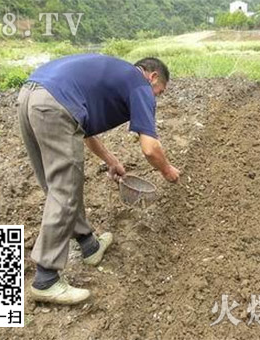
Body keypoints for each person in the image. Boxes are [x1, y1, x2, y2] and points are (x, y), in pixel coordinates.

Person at [17, 54, 180, 305]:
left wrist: (111, 161)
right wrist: (168, 171)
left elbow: (83, 130)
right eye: (159, 92)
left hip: (30, 97)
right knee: (65, 190)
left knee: (57, 186)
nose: (156, 97)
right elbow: (150, 148)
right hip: (54, 105)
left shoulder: (115, 76)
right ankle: (45, 279)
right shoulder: (139, 83)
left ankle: (89, 245)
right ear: (153, 76)